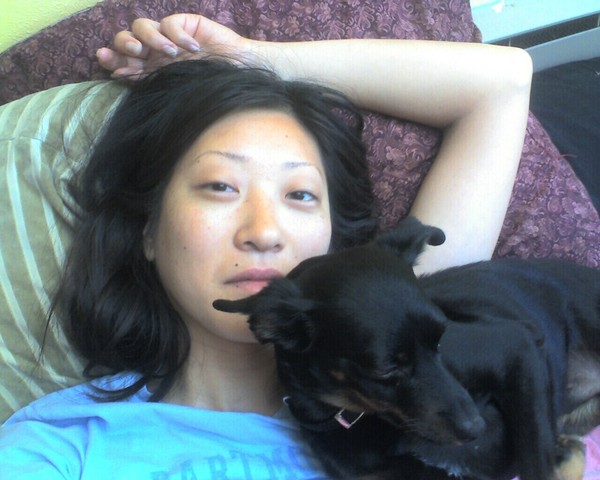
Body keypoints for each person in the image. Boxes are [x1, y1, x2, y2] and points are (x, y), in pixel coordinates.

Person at [0, 12, 532, 479]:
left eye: (300, 195)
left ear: (332, 238)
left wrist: (252, 60)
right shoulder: (63, 447)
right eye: (220, 186)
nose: (264, 231)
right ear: (148, 232)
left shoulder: (411, 352)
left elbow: (501, 84)